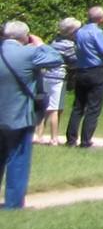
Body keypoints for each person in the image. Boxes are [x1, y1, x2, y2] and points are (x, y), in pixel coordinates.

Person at [0, 20, 66, 208]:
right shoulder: (29, 53)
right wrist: (40, 43)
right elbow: (56, 58)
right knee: (18, 160)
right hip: (19, 115)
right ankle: (13, 204)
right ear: (25, 36)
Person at [64, 5, 103, 147]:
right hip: (96, 70)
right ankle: (86, 140)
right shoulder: (97, 32)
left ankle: (71, 139)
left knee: (78, 106)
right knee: (93, 107)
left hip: (80, 70)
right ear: (100, 18)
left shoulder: (79, 32)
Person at [35, 17, 78, 146]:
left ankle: (39, 135)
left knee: (45, 107)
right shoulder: (68, 45)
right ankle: (54, 138)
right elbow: (74, 61)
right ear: (71, 32)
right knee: (55, 108)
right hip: (57, 77)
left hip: (46, 75)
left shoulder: (54, 41)